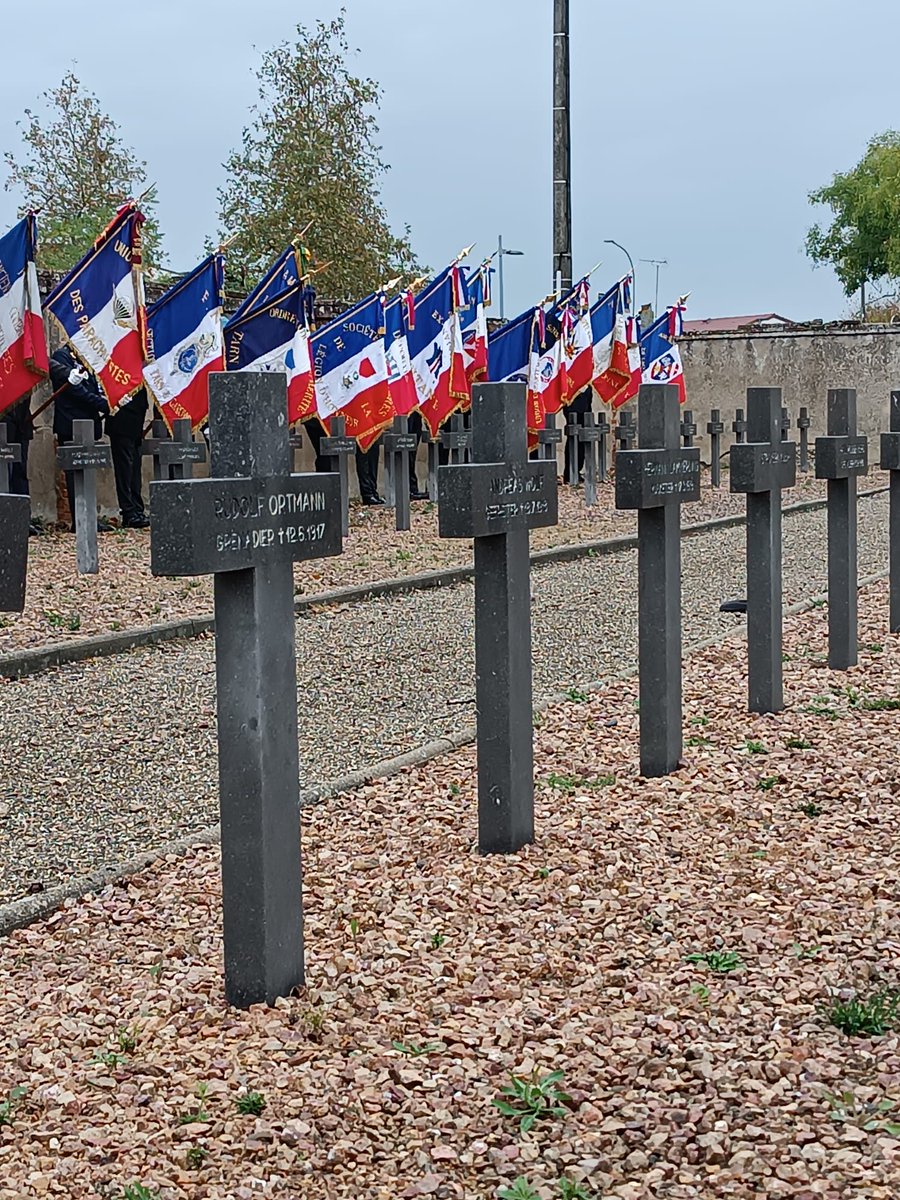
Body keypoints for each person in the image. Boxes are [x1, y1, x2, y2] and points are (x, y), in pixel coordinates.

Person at [49, 346, 112, 532]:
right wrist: (102, 404)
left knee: (88, 472)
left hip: (89, 423)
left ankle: (89, 516)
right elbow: (74, 391)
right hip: (71, 423)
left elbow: (95, 385)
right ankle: (79, 519)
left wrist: (108, 400)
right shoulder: (62, 356)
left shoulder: (86, 355)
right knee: (74, 475)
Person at [106, 386, 149, 527]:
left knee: (135, 468)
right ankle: (128, 511)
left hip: (136, 417)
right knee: (124, 469)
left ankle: (137, 508)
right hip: (122, 417)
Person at [564, 386, 593, 485]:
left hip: (585, 410)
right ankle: (570, 473)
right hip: (573, 409)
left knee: (582, 443)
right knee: (573, 440)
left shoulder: (587, 382)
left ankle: (577, 470)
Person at [356, 437, 384, 505]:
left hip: (373, 430)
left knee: (373, 457)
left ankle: (373, 491)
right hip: (361, 431)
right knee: (364, 458)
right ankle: (367, 494)